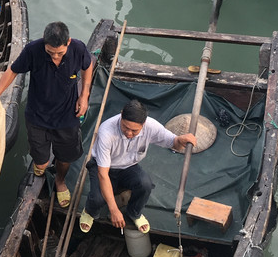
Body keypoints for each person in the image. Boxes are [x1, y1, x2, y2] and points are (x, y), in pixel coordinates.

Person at [0, 21, 92, 207]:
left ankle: (60, 181)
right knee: (40, 163)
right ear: (44, 43)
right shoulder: (33, 50)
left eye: (60, 52)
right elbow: (12, 72)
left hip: (67, 116)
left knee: (65, 159)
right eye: (50, 52)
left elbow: (87, 66)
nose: (55, 56)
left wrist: (84, 95)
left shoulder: (78, 49)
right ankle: (41, 165)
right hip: (37, 116)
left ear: (68, 42)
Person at [80, 99, 197, 235]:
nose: (129, 133)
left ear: (144, 123)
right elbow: (103, 174)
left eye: (134, 131)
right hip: (104, 167)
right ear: (121, 114)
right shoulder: (106, 131)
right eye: (125, 127)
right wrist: (114, 210)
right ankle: (89, 211)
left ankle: (134, 213)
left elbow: (174, 142)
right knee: (97, 198)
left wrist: (181, 140)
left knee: (145, 184)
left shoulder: (151, 127)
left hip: (128, 166)